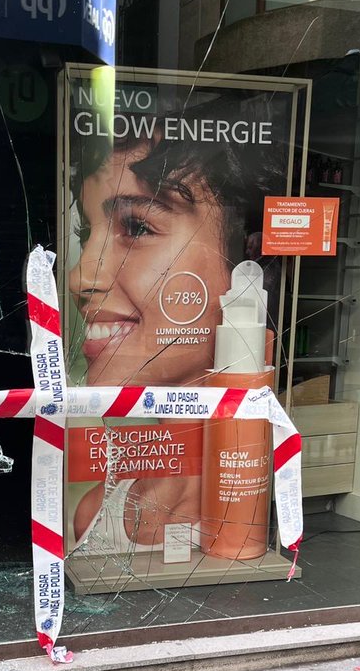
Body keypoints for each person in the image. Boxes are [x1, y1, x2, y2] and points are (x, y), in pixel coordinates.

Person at [67, 93, 287, 552]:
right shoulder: (95, 513)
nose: (80, 277)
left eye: (137, 227)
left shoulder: (243, 489)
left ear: (245, 260)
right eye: (87, 233)